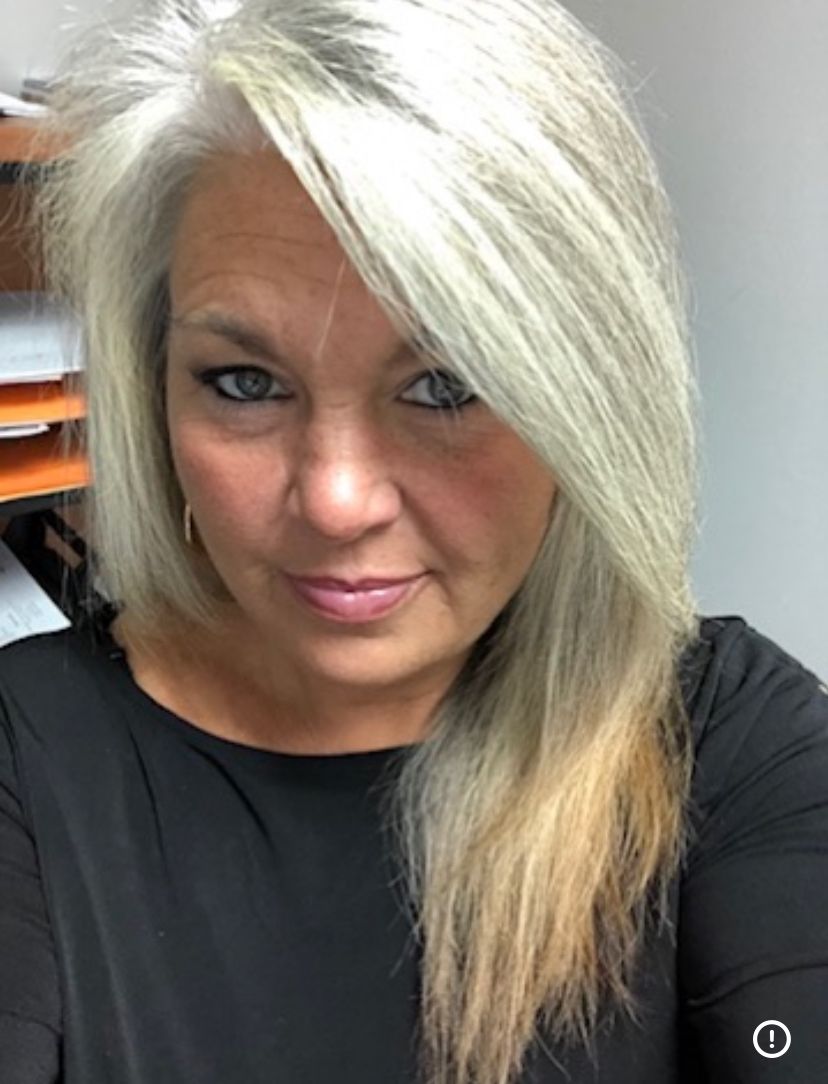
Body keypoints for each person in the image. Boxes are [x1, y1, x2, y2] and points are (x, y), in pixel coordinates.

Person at [1, 1, 826, 1081]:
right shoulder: (29, 760)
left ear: (590, 401)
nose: (338, 502)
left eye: (448, 386)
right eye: (244, 383)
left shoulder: (726, 741)